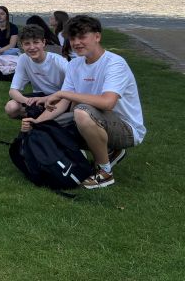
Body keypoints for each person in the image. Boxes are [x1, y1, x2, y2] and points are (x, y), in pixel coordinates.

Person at [21, 16, 146, 190]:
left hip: (126, 128)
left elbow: (107, 103)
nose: (76, 42)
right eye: (72, 38)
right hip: (97, 119)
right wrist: (39, 122)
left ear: (97, 36)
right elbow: (63, 103)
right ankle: (109, 152)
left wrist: (64, 93)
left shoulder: (115, 63)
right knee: (49, 128)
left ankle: (105, 172)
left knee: (81, 112)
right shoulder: (74, 65)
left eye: (82, 37)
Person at [4, 25, 67, 119]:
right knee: (11, 107)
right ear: (22, 45)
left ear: (43, 42)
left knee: (57, 110)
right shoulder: (23, 59)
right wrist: (27, 101)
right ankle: (37, 116)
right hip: (38, 96)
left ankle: (40, 118)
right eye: (27, 44)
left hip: (59, 96)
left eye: (36, 42)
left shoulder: (59, 61)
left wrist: (45, 99)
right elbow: (13, 91)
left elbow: (72, 90)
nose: (32, 47)